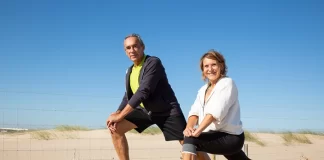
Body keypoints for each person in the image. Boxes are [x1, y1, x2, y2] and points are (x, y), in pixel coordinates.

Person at [106, 33, 211, 160]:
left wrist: (120, 115)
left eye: (135, 46)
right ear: (125, 51)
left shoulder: (153, 62)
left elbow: (143, 91)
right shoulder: (130, 71)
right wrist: (117, 111)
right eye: (128, 48)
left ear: (142, 47)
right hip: (145, 111)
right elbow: (129, 95)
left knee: (188, 143)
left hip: (167, 111)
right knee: (115, 129)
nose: (132, 50)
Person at [181, 50, 251, 160]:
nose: (210, 69)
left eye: (214, 65)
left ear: (221, 66)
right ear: (203, 70)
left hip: (231, 137)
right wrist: (189, 127)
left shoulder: (227, 83)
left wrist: (197, 131)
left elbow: (214, 112)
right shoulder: (202, 90)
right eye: (206, 66)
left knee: (191, 141)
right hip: (215, 135)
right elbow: (194, 113)